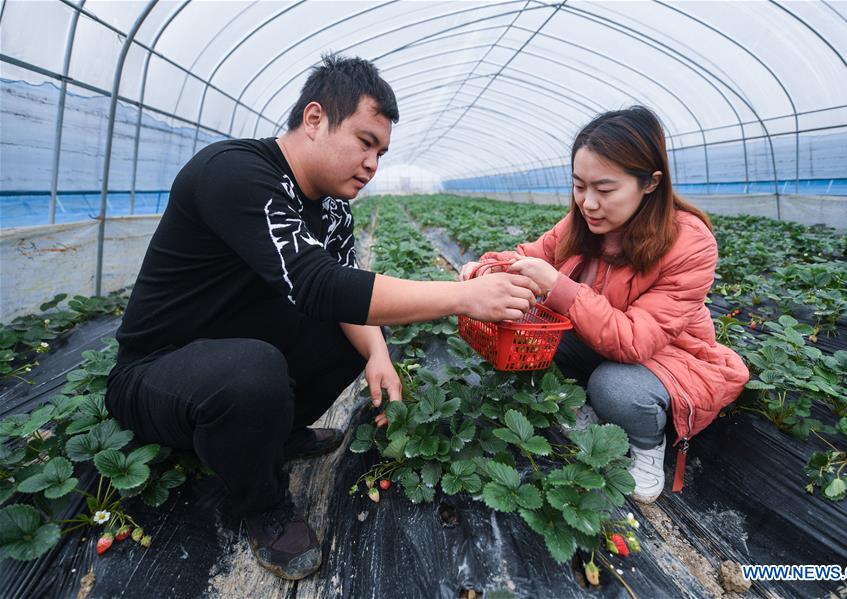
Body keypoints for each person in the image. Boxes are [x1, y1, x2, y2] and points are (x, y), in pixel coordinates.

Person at [105, 54, 539, 581]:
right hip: (156, 373)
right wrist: (462, 297)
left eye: (381, 151)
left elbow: (343, 290)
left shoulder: (333, 206)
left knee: (348, 339)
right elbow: (316, 283)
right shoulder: (233, 172)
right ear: (314, 120)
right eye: (364, 142)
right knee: (252, 371)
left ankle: (271, 433)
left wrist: (378, 353)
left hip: (236, 350)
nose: (373, 163)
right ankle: (263, 506)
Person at [462, 106, 749, 504]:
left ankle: (648, 446)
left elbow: (634, 342)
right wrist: (485, 268)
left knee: (614, 387)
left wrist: (558, 286)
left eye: (605, 189)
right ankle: (586, 408)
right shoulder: (582, 222)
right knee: (524, 330)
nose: (588, 203)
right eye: (579, 186)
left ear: (650, 183)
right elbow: (528, 255)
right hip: (597, 341)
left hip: (665, 359)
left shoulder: (690, 242)